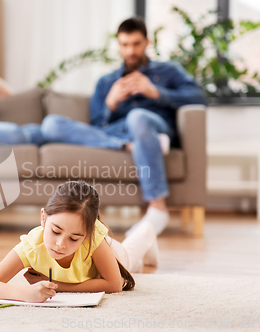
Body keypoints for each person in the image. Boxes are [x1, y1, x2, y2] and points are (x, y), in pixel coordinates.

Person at [40, 17, 207, 236]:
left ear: (147, 42)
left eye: (136, 44)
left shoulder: (168, 71)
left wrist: (155, 92)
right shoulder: (106, 82)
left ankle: (158, 207)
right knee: (51, 124)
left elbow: (199, 97)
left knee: (137, 116)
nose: (131, 51)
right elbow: (96, 126)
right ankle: (127, 144)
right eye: (125, 45)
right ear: (118, 45)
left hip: (153, 126)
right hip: (116, 132)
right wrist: (110, 103)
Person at [0, 181, 159, 303]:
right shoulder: (32, 246)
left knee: (133, 249)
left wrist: (58, 285)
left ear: (87, 234)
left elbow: (114, 285)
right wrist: (26, 293)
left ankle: (148, 230)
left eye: (73, 238)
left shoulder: (93, 240)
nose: (60, 244)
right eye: (55, 231)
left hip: (116, 254)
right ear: (43, 219)